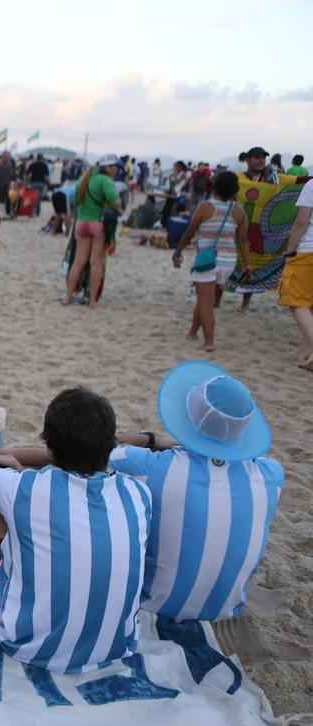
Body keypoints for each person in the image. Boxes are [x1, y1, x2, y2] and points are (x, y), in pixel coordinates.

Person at [0, 386, 151, 673]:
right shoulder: (139, 493)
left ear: (49, 443)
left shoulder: (25, 489)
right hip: (115, 645)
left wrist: (16, 465)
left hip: (25, 643)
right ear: (110, 444)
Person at [109, 362, 283, 621]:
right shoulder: (272, 475)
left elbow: (103, 446)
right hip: (226, 612)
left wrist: (150, 439)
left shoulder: (148, 466)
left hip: (153, 608)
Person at [172, 170, 248, 352]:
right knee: (204, 298)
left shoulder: (205, 207)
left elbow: (189, 232)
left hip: (208, 261)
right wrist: (247, 264)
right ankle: (192, 332)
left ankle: (209, 341)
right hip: (228, 262)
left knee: (206, 302)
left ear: (214, 187)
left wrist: (178, 251)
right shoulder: (239, 211)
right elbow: (243, 240)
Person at [63, 156, 121, 307]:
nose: (116, 169)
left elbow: (75, 201)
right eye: (114, 166)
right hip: (97, 224)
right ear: (107, 167)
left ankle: (68, 297)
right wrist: (119, 210)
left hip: (81, 223)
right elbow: (115, 201)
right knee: (96, 263)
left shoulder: (84, 178)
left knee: (77, 262)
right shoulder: (106, 181)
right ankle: (93, 301)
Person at [279, 176, 313, 369]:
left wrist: (290, 250)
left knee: (296, 301)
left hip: (308, 251)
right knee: (310, 303)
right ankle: (305, 355)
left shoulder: (311, 185)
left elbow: (301, 222)